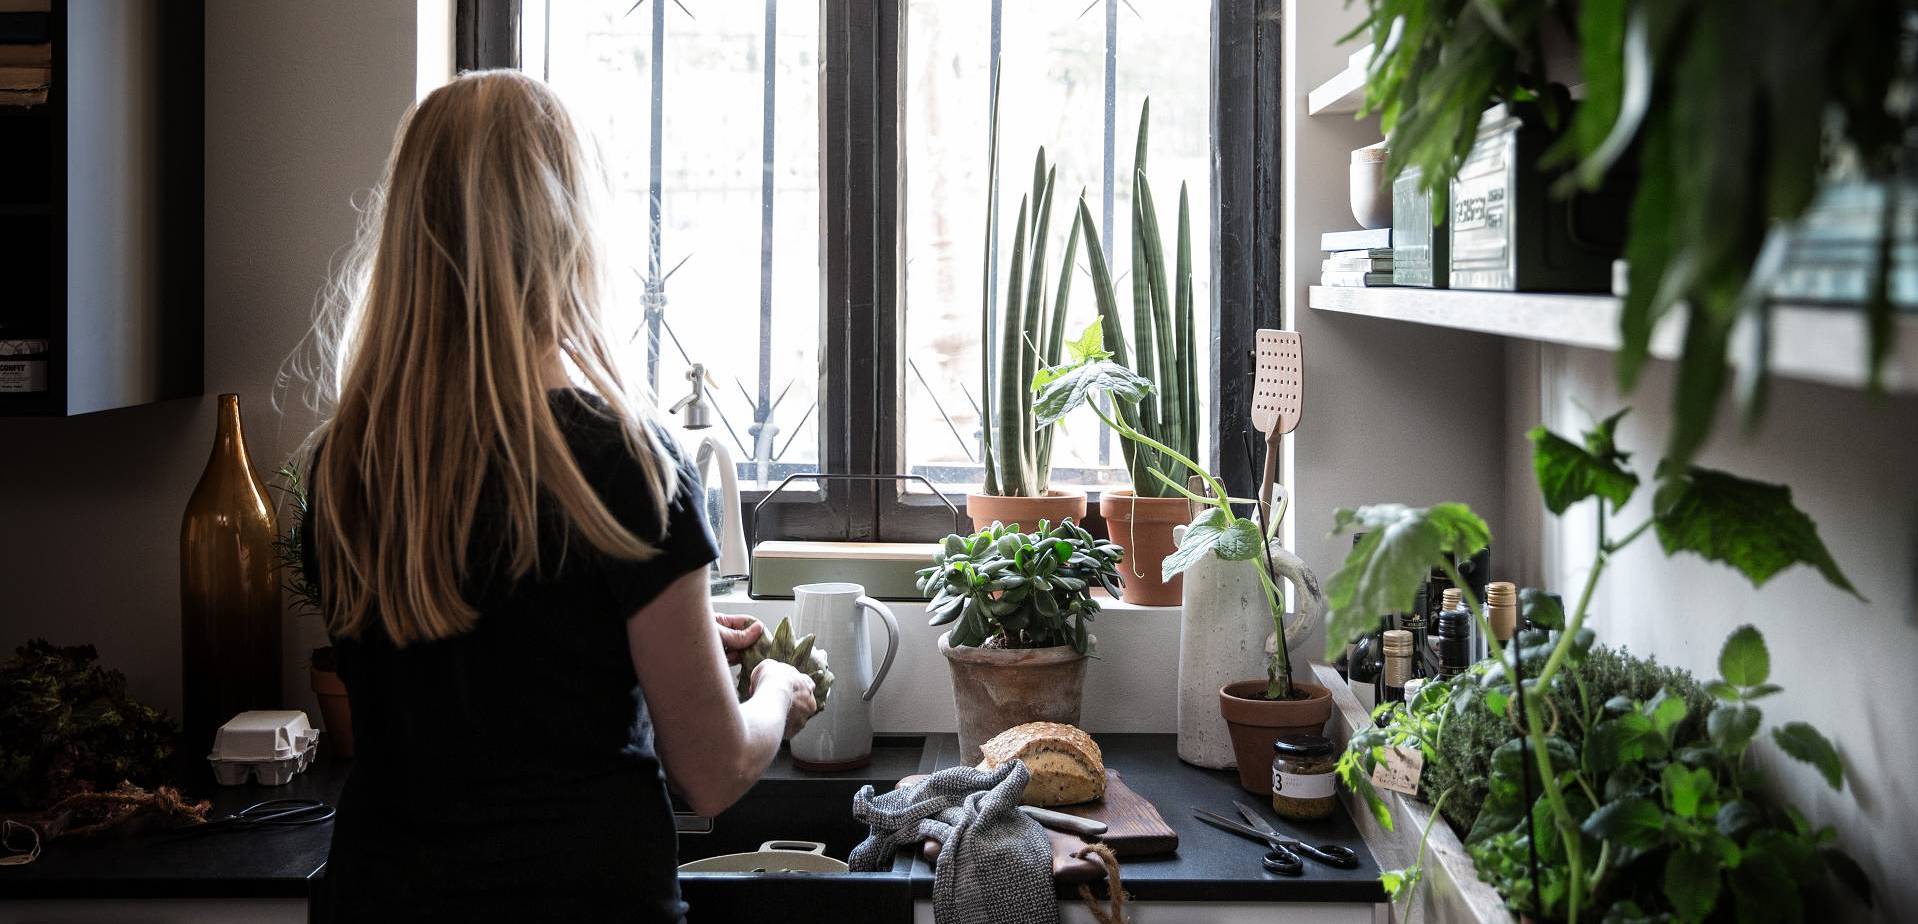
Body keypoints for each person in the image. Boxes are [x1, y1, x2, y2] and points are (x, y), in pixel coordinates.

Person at [297, 70, 817, 921]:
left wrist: (639, 637)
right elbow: (712, 772)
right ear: (569, 229)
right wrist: (774, 694)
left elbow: (472, 662)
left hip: (383, 898)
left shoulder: (347, 465)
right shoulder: (623, 461)